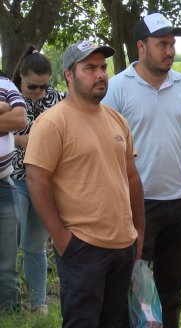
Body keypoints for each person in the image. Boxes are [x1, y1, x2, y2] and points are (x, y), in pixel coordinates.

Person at [24, 40, 144, 327]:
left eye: (102, 67)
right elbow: (36, 179)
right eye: (89, 68)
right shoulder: (53, 122)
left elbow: (131, 177)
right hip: (82, 247)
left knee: (117, 322)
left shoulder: (117, 121)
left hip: (122, 245)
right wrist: (62, 238)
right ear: (69, 74)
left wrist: (139, 232)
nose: (100, 74)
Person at [102, 13, 181, 328]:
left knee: (172, 290)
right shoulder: (118, 88)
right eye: (162, 43)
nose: (170, 50)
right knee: (132, 288)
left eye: (172, 44)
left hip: (180, 203)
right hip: (136, 206)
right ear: (141, 47)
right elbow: (104, 147)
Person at [10, 45, 67, 314]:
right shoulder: (7, 97)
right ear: (21, 75)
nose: (39, 93)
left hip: (46, 184)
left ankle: (37, 305)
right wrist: (18, 140)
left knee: (35, 245)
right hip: (15, 180)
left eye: (44, 87)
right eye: (33, 87)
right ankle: (8, 304)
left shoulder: (59, 100)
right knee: (9, 241)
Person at [0, 74, 27, 311]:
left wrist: (8, 108)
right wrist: (2, 107)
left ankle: (10, 314)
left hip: (3, 187)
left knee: (7, 260)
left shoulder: (6, 84)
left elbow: (20, 118)